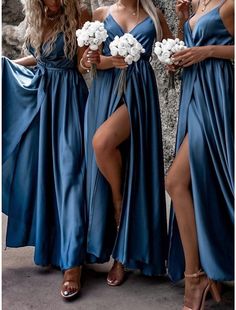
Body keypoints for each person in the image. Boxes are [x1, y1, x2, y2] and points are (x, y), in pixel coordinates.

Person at [2, 0, 99, 300]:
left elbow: (81, 63)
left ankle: (72, 264)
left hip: (69, 101)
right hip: (43, 101)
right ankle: (52, 246)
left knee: (70, 177)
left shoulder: (80, 12)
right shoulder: (37, 15)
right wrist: (9, 65)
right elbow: (41, 59)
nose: (52, 1)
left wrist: (90, 59)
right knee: (41, 175)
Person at [82, 0, 172, 286]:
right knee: (109, 151)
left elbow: (171, 53)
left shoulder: (154, 16)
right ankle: (119, 241)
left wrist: (172, 61)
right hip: (106, 91)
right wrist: (98, 60)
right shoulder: (101, 14)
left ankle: (120, 209)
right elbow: (85, 62)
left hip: (140, 95)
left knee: (103, 142)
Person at [166, 0, 234, 309]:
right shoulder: (194, 4)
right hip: (194, 92)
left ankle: (195, 276)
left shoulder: (230, 4)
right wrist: (179, 51)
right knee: (201, 185)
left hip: (216, 96)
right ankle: (209, 271)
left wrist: (206, 52)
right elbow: (193, 45)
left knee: (175, 181)